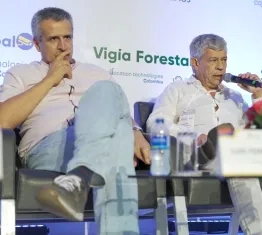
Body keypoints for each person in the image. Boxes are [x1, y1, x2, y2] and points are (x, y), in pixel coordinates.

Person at [0, 7, 150, 234]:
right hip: (50, 146)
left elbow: (120, 113)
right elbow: (3, 120)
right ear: (37, 44)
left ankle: (77, 179)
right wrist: (50, 79)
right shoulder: (20, 74)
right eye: (53, 39)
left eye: (67, 37)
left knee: (108, 92)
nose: (63, 46)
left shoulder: (96, 73)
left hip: (102, 141)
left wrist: (135, 131)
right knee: (117, 144)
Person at [147, 33, 262, 234]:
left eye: (224, 60)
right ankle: (212, 145)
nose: (221, 67)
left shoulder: (235, 97)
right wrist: (194, 136)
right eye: (213, 60)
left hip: (232, 158)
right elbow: (155, 124)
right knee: (233, 153)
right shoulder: (177, 89)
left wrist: (257, 95)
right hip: (193, 157)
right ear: (195, 63)